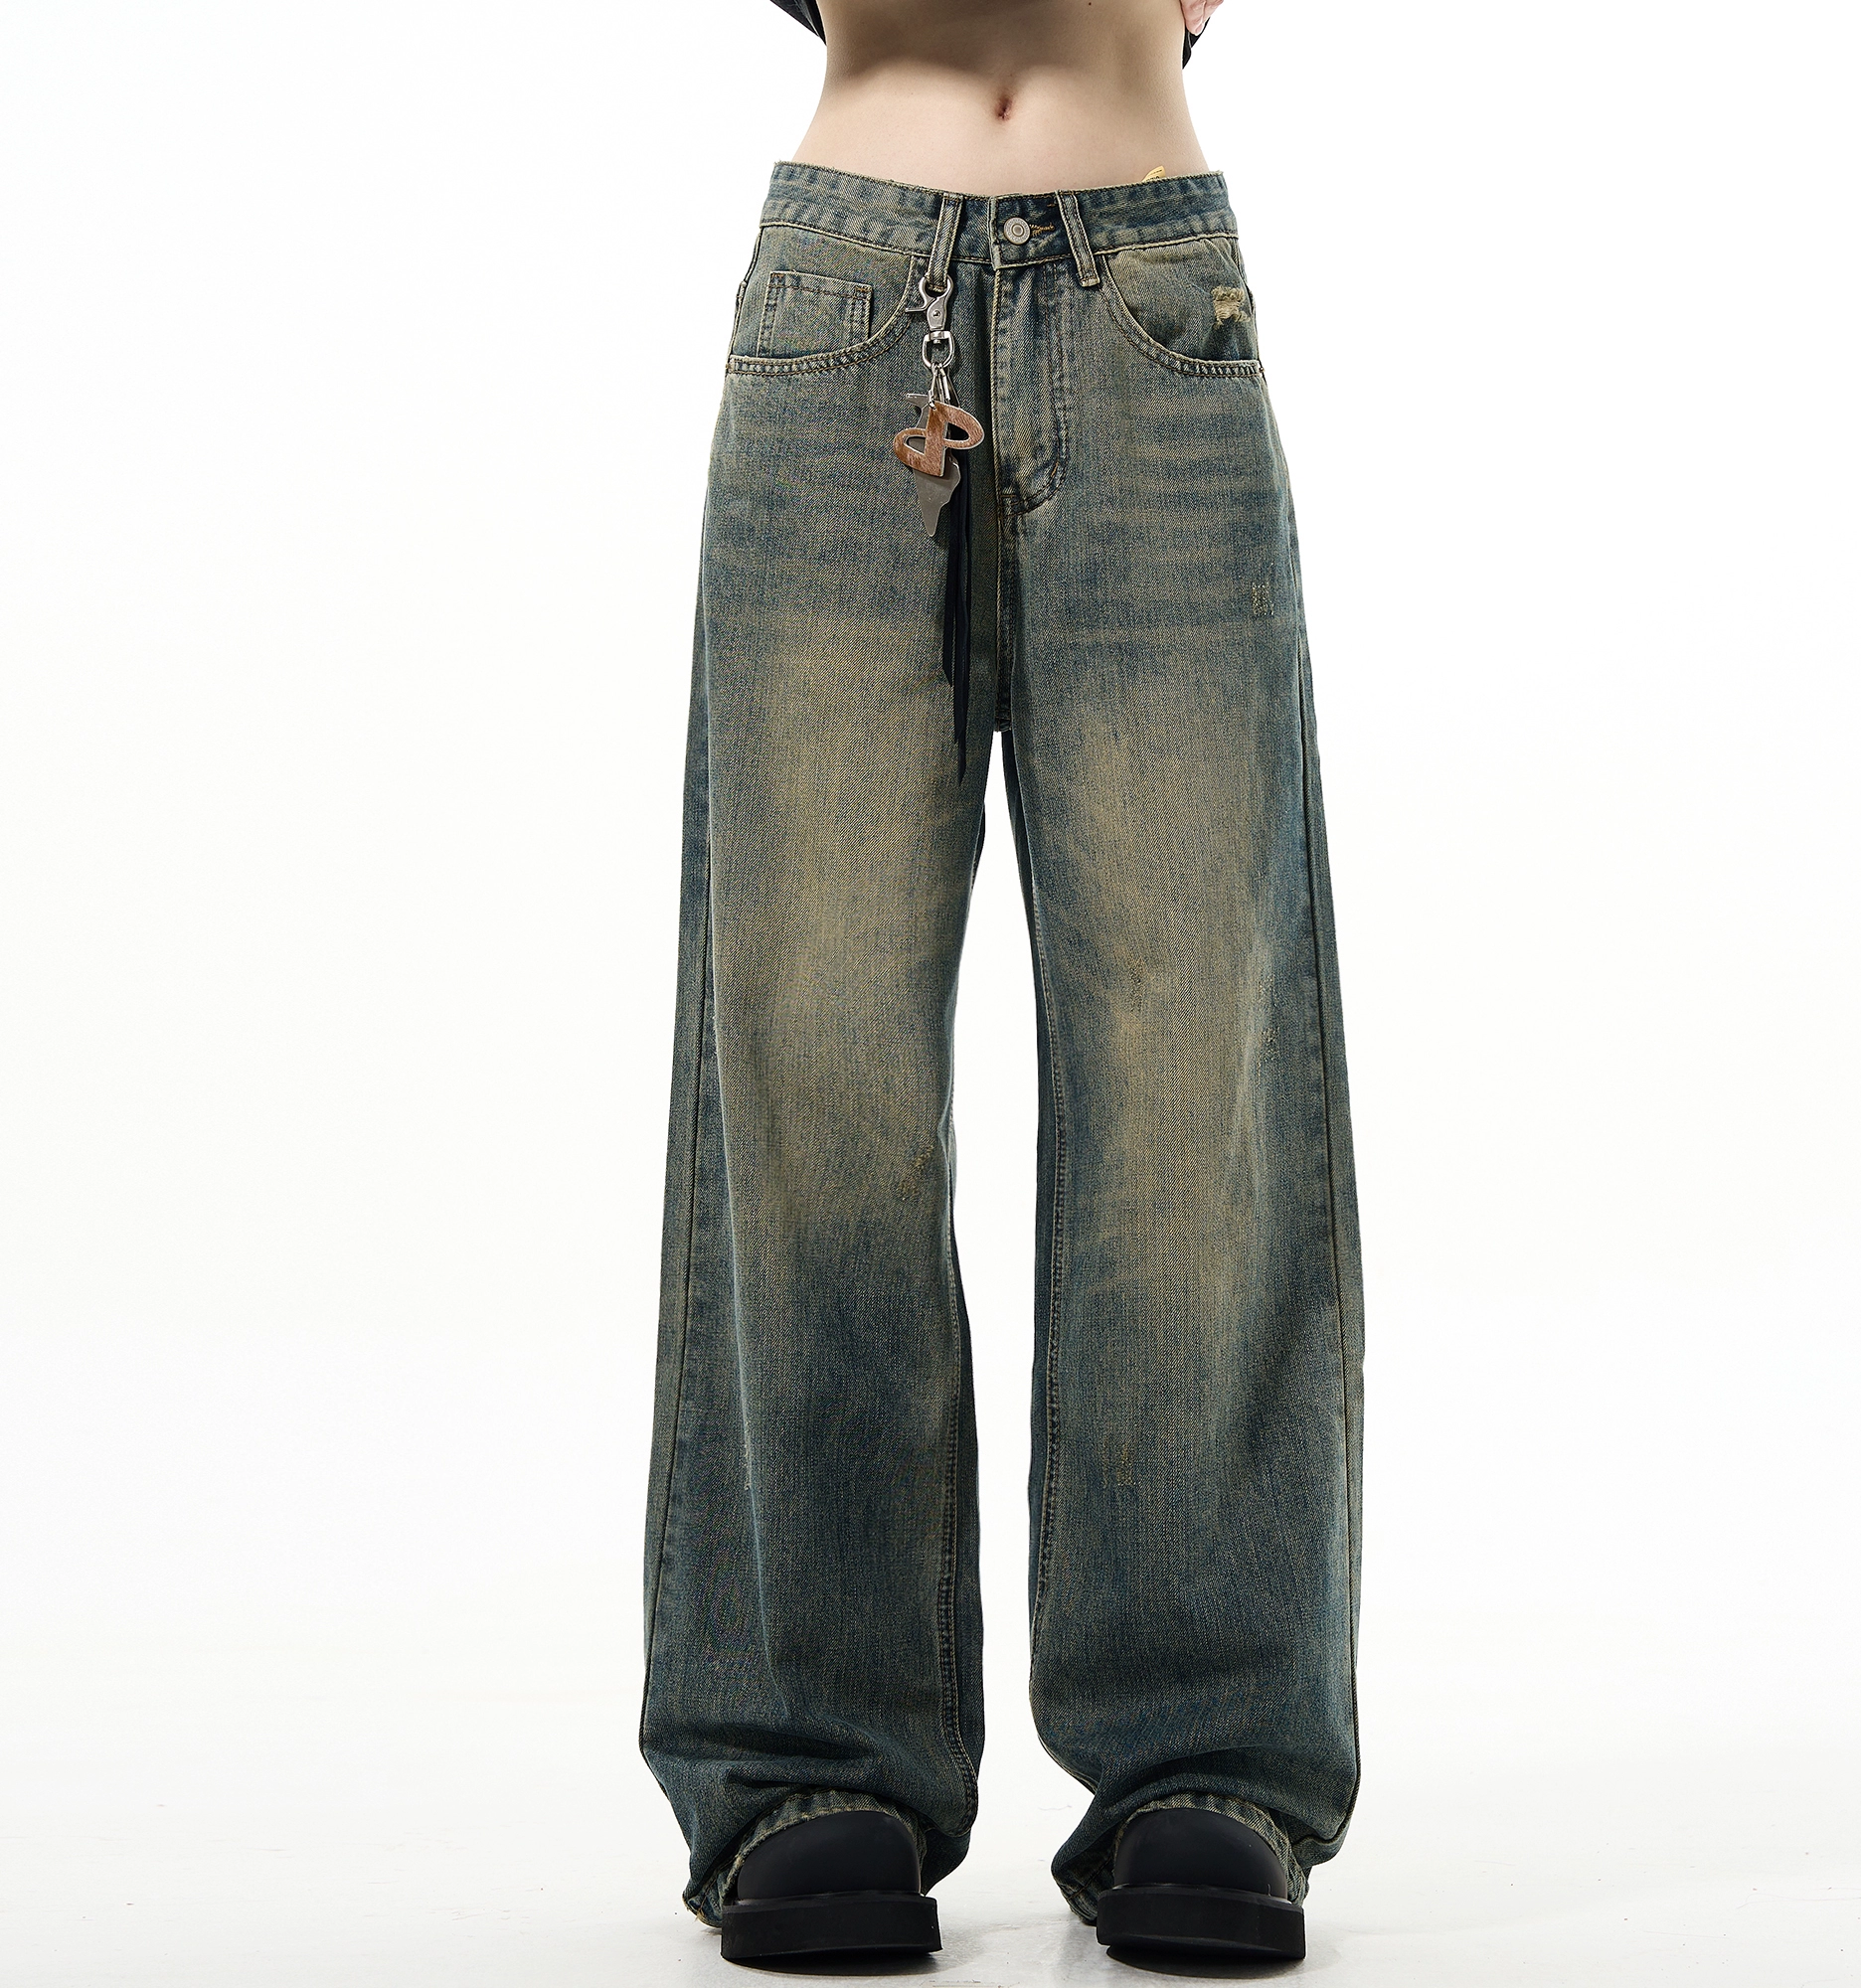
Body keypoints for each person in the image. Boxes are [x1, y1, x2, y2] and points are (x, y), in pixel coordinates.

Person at [638, 0, 1364, 1965]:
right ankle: (808, 1760)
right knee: (810, 1048)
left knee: (1196, 1052)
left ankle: (1208, 1758)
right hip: (846, 300)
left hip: (1150, 299)